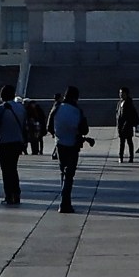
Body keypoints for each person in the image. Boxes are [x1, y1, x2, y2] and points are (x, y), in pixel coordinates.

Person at [53, 85, 90, 213]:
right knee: (69, 174)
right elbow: (84, 129)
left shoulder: (57, 107)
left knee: (63, 172)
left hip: (60, 144)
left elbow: (49, 127)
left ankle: (64, 200)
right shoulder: (77, 111)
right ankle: (65, 202)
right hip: (73, 145)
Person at [0, 85, 27, 206]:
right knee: (13, 168)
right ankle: (17, 194)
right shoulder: (21, 108)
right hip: (17, 142)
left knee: (6, 171)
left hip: (4, 142)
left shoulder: (0, 108)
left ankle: (9, 195)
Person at [115, 86, 139, 163]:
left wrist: (125, 125)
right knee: (122, 142)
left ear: (126, 94)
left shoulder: (129, 103)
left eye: (122, 93)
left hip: (127, 125)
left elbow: (129, 116)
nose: (120, 94)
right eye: (120, 93)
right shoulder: (119, 103)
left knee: (129, 141)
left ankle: (131, 157)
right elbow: (118, 114)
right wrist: (118, 126)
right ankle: (121, 157)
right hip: (121, 125)